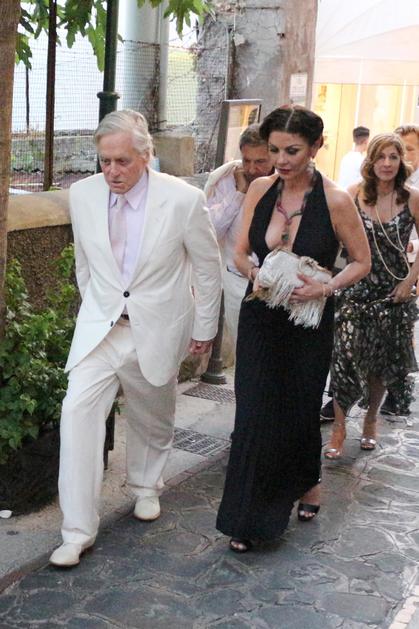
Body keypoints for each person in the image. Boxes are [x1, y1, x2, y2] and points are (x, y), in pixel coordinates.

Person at [49, 110, 222, 567]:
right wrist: (99, 309)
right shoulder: (82, 194)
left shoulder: (183, 200)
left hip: (159, 326)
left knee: (152, 413)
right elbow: (85, 264)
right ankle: (77, 531)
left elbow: (207, 268)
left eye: (122, 161)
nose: (112, 171)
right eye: (104, 161)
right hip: (101, 330)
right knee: (76, 413)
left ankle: (146, 486)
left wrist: (204, 328)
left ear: (146, 155)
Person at [216, 105, 371, 552]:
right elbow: (240, 252)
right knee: (253, 414)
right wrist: (254, 273)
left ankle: (308, 481)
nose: (280, 160)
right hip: (261, 316)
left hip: (307, 325)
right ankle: (252, 519)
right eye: (274, 150)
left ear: (316, 146)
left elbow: (361, 261)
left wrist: (325, 287)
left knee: (298, 412)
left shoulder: (336, 200)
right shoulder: (260, 189)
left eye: (292, 151)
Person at [325, 133, 419, 459]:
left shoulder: (412, 198)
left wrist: (409, 281)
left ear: (401, 161)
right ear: (371, 160)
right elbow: (334, 236)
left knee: (380, 364)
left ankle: (370, 420)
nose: (387, 163)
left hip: (392, 293)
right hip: (354, 289)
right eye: (381, 157)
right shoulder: (353, 194)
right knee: (344, 358)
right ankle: (339, 427)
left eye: (394, 157)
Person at [205, 124, 273, 345]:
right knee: (242, 347)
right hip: (237, 278)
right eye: (247, 160)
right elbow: (211, 230)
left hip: (275, 281)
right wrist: (239, 193)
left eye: (260, 161)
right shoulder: (227, 180)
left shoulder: (285, 182)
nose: (252, 169)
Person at [381, 124, 419, 416]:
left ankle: (395, 391)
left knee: (399, 334)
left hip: (407, 268)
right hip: (377, 270)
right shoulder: (377, 184)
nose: (402, 156)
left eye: (409, 149)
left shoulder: (413, 192)